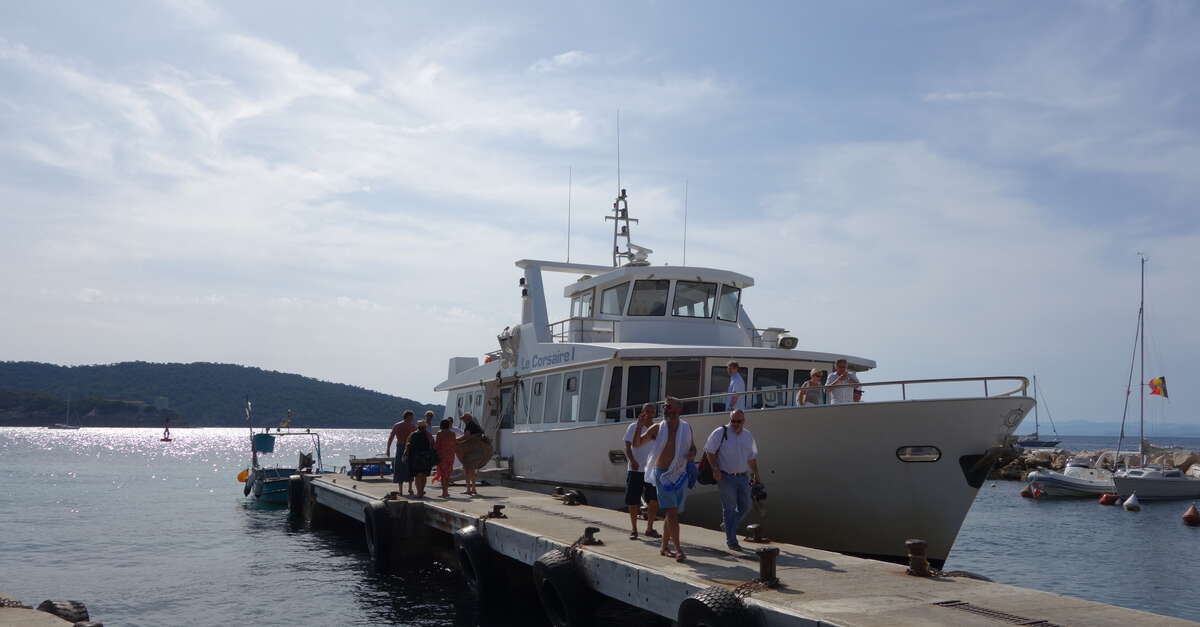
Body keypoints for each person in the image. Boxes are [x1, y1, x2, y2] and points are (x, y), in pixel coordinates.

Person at [633, 397, 696, 562]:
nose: (666, 409)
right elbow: (637, 444)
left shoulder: (686, 427)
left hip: (680, 473)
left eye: (669, 407)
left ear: (678, 410)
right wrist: (638, 427)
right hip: (662, 474)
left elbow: (693, 447)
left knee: (672, 512)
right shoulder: (657, 428)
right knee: (672, 512)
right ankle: (678, 549)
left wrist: (692, 455)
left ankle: (663, 546)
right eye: (665, 407)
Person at [703, 409, 760, 550]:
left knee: (746, 506)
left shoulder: (748, 436)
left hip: (742, 476)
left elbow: (752, 457)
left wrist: (756, 474)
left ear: (743, 421)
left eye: (738, 421)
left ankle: (728, 525)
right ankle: (731, 541)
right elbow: (709, 451)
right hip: (725, 476)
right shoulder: (720, 432)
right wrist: (715, 469)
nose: (735, 424)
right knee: (729, 509)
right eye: (733, 421)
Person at [623, 403, 661, 540]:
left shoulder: (657, 428)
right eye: (647, 411)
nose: (649, 413)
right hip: (635, 469)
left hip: (651, 470)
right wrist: (632, 460)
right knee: (633, 501)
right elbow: (628, 447)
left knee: (653, 501)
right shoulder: (633, 427)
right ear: (642, 412)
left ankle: (649, 528)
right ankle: (634, 529)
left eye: (652, 411)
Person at [456, 413, 488, 496]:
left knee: (467, 470)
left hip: (471, 451)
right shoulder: (474, 425)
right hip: (477, 450)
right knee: (471, 470)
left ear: (467, 419)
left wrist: (455, 440)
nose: (463, 420)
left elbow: (466, 436)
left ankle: (469, 489)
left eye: (463, 419)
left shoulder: (469, 425)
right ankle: (473, 489)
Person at [387, 410, 419, 494]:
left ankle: (409, 488)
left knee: (407, 467)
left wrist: (388, 449)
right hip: (404, 447)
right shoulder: (412, 426)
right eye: (411, 417)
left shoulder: (398, 425)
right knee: (402, 467)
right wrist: (388, 449)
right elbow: (391, 437)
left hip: (407, 447)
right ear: (408, 416)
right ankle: (403, 489)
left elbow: (391, 437)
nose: (413, 418)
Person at [404, 420, 438, 498]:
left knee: (418, 476)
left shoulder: (413, 434)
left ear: (417, 426)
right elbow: (433, 444)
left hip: (415, 457)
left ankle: (419, 493)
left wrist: (405, 454)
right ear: (425, 427)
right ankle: (421, 491)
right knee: (424, 475)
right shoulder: (428, 435)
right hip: (426, 457)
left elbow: (408, 445)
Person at [433, 418, 457, 498]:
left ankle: (444, 493)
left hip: (442, 456)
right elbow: (454, 444)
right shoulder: (453, 434)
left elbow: (437, 445)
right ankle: (446, 491)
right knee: (448, 474)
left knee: (443, 475)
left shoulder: (440, 433)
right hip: (450, 455)